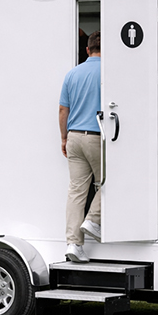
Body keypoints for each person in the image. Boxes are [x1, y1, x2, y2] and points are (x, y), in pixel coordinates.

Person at [59, 31, 102, 262]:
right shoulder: (109, 72)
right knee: (110, 181)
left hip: (74, 136)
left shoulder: (72, 73)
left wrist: (64, 138)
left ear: (87, 49)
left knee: (76, 191)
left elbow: (62, 110)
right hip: (96, 136)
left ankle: (73, 244)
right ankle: (93, 219)